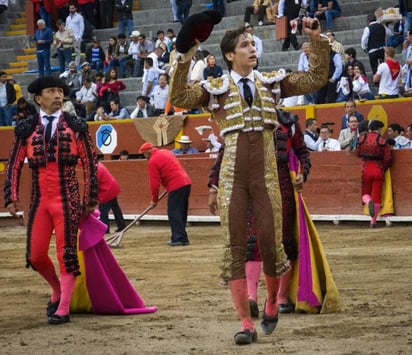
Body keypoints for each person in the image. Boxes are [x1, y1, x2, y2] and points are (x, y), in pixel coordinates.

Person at [169, 13, 329, 345]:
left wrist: (315, 40)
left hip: (267, 179)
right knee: (236, 249)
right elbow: (181, 97)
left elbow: (315, 77)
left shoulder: (272, 82)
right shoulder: (216, 88)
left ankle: (270, 302)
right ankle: (245, 321)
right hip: (233, 180)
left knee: (272, 245)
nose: (252, 48)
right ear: (230, 54)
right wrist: (185, 54)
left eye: (252, 43)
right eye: (244, 45)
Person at [4, 76, 98, 325]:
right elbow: (13, 164)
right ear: (38, 98)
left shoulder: (76, 125)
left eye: (60, 91)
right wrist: (11, 197)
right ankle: (57, 289)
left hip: (67, 199)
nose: (58, 95)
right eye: (51, 91)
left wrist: (89, 197)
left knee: (67, 254)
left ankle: (63, 307)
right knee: (35, 256)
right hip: (39, 202)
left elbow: (90, 163)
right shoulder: (26, 128)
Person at [139, 142, 192, 246]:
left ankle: (179, 238)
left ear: (148, 152)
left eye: (144, 154)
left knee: (174, 212)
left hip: (176, 185)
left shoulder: (152, 161)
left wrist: (154, 200)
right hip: (186, 183)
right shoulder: (166, 152)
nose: (144, 156)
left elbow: (154, 184)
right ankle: (182, 237)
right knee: (181, 212)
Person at [356, 120, 392, 228]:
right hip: (378, 169)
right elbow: (388, 158)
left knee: (365, 194)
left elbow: (358, 153)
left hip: (366, 168)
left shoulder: (362, 139)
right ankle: (373, 222)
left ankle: (369, 201)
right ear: (379, 129)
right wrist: (382, 168)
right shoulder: (382, 140)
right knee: (377, 195)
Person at [97, 162, 126, 234]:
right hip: (112, 188)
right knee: (115, 208)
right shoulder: (98, 165)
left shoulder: (96, 170)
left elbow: (94, 184)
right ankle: (121, 225)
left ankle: (105, 229)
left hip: (107, 191)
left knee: (103, 210)